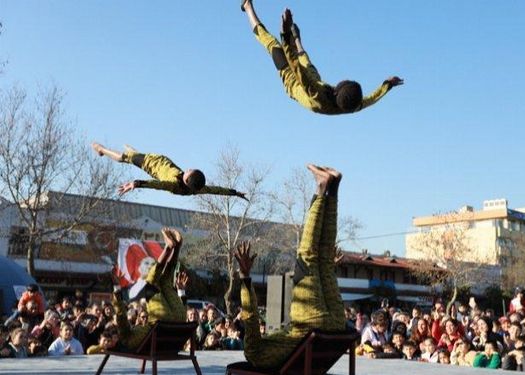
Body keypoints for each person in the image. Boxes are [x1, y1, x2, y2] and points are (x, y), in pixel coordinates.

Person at [235, 165, 347, 368]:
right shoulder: (255, 354)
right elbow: (250, 318)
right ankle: (322, 187)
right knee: (308, 256)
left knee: (324, 260)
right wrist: (244, 277)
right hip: (310, 324)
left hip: (338, 325)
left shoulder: (279, 351)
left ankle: (334, 188)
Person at [240, 0, 403, 115]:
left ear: (338, 89)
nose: (345, 78)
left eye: (345, 80)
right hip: (314, 78)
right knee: (302, 55)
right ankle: (297, 40)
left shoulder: (318, 95)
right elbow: (370, 100)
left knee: (272, 44)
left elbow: (297, 69)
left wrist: (284, 34)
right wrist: (387, 85)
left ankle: (247, 6)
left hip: (295, 81)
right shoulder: (351, 105)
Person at [112, 227, 187, 349]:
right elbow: (120, 315)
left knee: (165, 282)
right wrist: (116, 289)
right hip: (163, 320)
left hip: (180, 319)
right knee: (150, 284)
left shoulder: (145, 338)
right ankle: (170, 247)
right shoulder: (127, 338)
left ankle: (176, 247)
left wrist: (181, 292)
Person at [91, 143, 247, 199]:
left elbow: (157, 185)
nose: (188, 168)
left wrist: (136, 183)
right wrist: (234, 193)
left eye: (189, 171)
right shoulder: (196, 189)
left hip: (149, 163)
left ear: (186, 180)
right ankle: (133, 151)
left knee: (122, 158)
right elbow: (215, 190)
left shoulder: (173, 184)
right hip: (159, 160)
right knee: (131, 154)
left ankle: (101, 150)